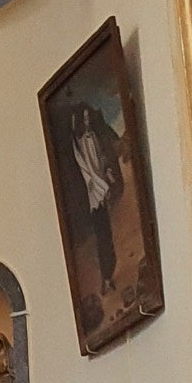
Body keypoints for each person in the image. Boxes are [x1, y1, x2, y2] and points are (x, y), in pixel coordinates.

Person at [70, 101, 123, 294]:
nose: (87, 122)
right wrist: (101, 187)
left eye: (88, 118)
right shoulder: (79, 144)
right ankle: (106, 277)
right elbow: (88, 172)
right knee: (102, 236)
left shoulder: (93, 137)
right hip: (94, 194)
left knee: (107, 235)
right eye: (83, 119)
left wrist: (107, 173)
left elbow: (100, 159)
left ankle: (109, 274)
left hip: (101, 187)